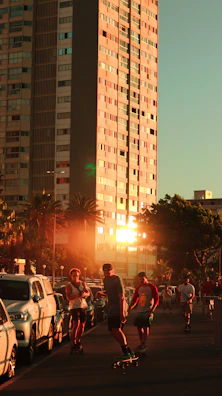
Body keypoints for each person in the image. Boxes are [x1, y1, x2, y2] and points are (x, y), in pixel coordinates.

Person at [98, 263, 134, 360]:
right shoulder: (105, 280)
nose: (107, 272)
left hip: (119, 306)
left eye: (108, 270)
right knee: (111, 331)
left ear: (112, 270)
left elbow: (121, 297)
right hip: (111, 307)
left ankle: (125, 351)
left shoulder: (117, 279)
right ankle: (128, 349)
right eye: (105, 271)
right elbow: (108, 292)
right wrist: (101, 293)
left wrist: (122, 313)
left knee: (116, 329)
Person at [128, 272, 159, 353]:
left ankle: (142, 343)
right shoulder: (138, 288)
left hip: (148, 311)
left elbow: (156, 300)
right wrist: (130, 308)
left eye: (142, 279)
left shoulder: (152, 287)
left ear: (146, 278)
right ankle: (142, 342)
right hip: (140, 310)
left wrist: (152, 311)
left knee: (146, 327)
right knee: (139, 328)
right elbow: (135, 299)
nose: (141, 281)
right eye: (139, 280)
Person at [65, 267, 90, 351]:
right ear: (71, 276)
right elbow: (68, 297)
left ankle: (79, 340)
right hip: (74, 307)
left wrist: (84, 294)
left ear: (79, 275)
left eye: (77, 275)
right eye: (74, 276)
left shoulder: (83, 284)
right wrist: (77, 295)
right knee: (76, 324)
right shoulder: (69, 285)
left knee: (82, 325)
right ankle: (73, 342)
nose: (75, 277)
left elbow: (88, 293)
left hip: (83, 306)